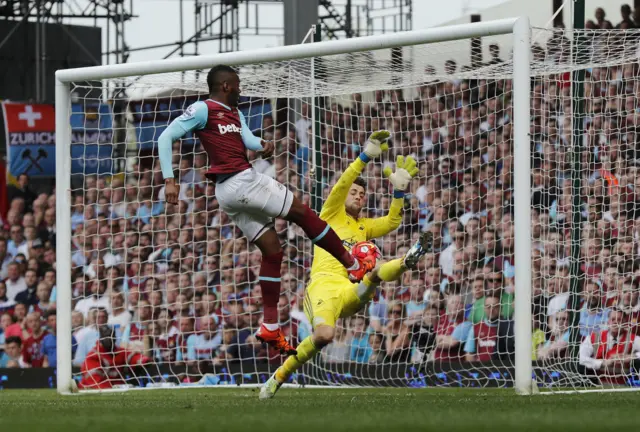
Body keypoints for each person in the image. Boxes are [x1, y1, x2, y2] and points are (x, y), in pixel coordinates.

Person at [157, 65, 386, 354]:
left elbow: (249, 141)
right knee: (304, 214)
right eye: (237, 85)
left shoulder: (235, 114)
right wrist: (170, 180)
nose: (241, 90)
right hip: (240, 181)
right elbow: (165, 138)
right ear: (226, 85)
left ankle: (270, 327)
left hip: (230, 192)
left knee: (273, 251)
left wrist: (263, 145)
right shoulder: (203, 109)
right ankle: (354, 265)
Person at [259, 149, 425, 399]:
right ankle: (279, 377)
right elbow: (342, 184)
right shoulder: (330, 214)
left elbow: (392, 222)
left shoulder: (363, 226)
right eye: (355, 193)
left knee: (375, 270)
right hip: (322, 288)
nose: (359, 197)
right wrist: (365, 157)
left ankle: (407, 260)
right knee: (325, 335)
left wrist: (399, 192)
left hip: (349, 290)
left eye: (362, 195)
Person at [78, 325, 153, 390]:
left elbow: (133, 357)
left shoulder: (119, 352)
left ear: (115, 338)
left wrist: (143, 360)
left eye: (111, 337)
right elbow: (95, 381)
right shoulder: (93, 356)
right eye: (106, 337)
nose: (109, 340)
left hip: (117, 388)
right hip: (93, 390)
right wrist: (113, 389)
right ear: (100, 338)